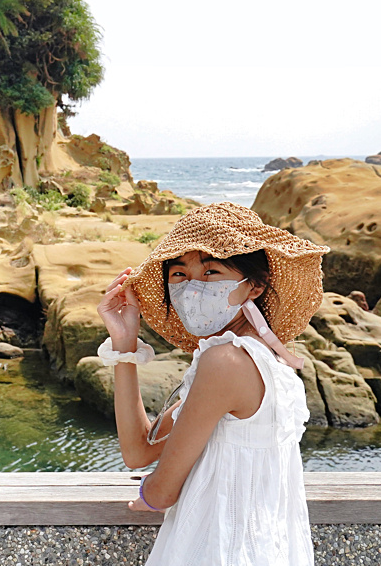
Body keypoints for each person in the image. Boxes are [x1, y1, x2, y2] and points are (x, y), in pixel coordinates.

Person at [96, 201, 329, 565]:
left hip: (218, 550)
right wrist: (125, 346)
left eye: (211, 272)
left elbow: (161, 491)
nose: (192, 289)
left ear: (254, 286)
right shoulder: (260, 360)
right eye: (178, 275)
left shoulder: (225, 362)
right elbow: (139, 450)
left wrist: (148, 495)